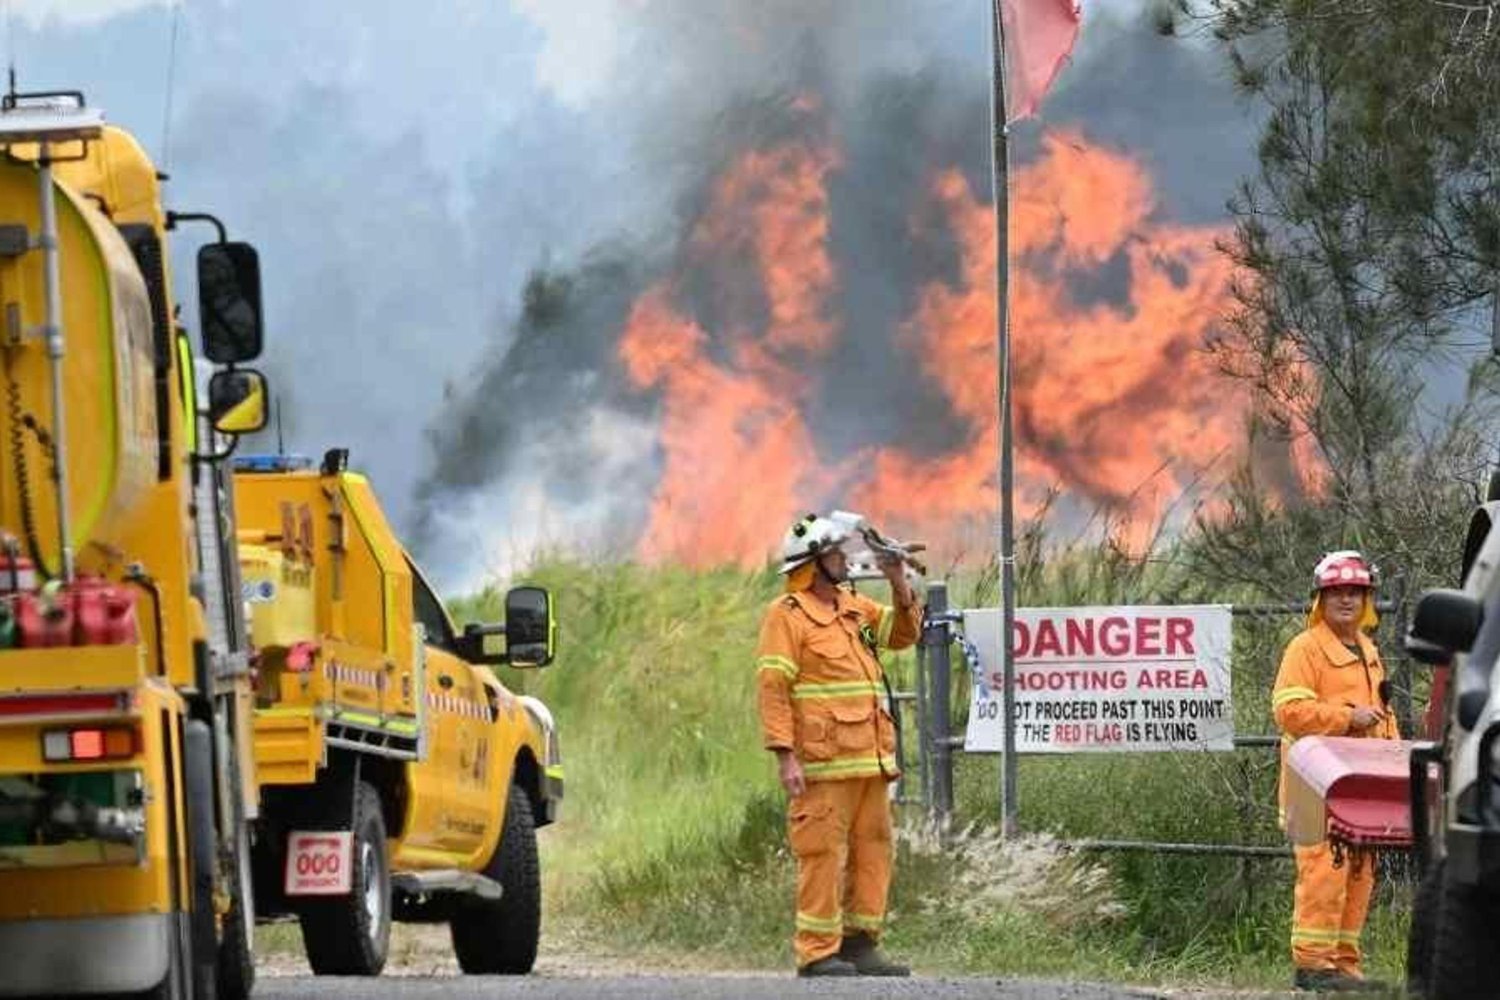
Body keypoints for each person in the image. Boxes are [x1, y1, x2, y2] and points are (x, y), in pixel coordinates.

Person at [755, 511, 923, 977]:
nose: (845, 560)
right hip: (821, 764)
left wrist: (897, 580)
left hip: (870, 760)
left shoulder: (854, 610)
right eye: (836, 553)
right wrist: (784, 756)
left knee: (874, 847)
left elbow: (901, 635)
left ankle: (860, 943)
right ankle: (816, 952)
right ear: (814, 563)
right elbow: (773, 687)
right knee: (822, 854)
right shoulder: (786, 618)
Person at [1272, 551, 1400, 993]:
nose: (1346, 600)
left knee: (1361, 871)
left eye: (1355, 592)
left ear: (1366, 600)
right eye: (1336, 593)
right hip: (1313, 786)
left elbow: (1381, 715)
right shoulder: (1305, 648)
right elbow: (1289, 711)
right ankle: (1312, 968)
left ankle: (1344, 967)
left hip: (1360, 786)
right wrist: (1346, 717)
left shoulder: (1368, 650)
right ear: (1320, 600)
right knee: (1323, 872)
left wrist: (1395, 758)